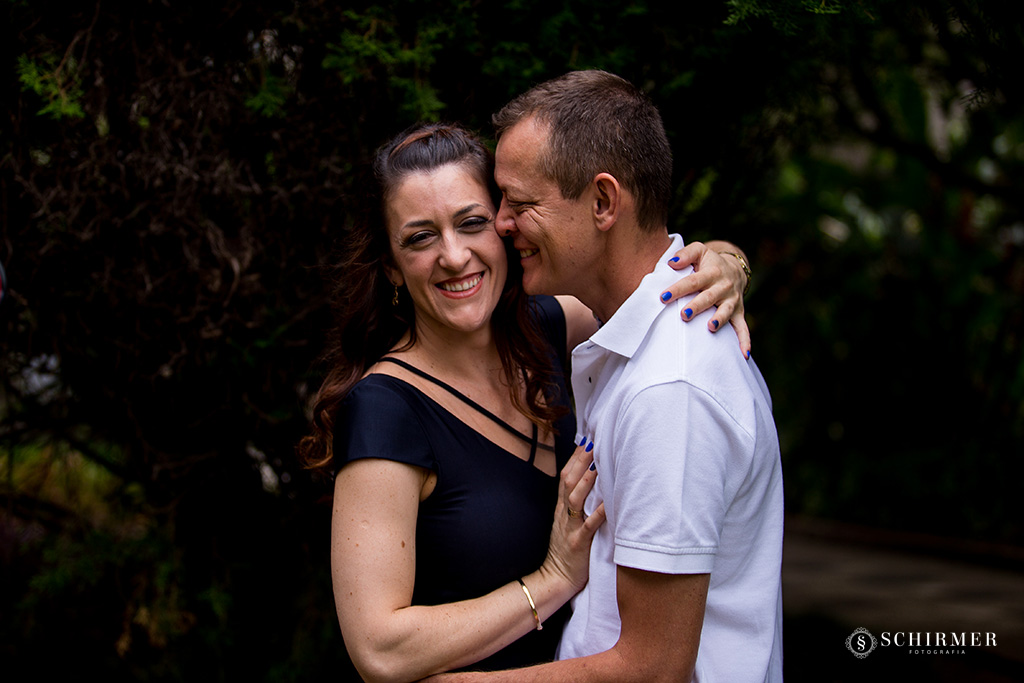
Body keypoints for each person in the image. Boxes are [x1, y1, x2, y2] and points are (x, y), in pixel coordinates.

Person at [298, 122, 753, 683]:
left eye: (472, 224)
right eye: (420, 238)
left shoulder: (549, 327)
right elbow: (380, 648)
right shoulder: (385, 411)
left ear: (505, 229)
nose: (453, 255)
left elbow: (649, 287)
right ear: (391, 266)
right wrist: (552, 579)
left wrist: (727, 263)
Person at [428, 71, 784, 682]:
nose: (501, 223)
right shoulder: (626, 336)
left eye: (520, 201)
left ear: (602, 202)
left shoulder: (669, 389)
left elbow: (652, 669)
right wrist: (729, 254)